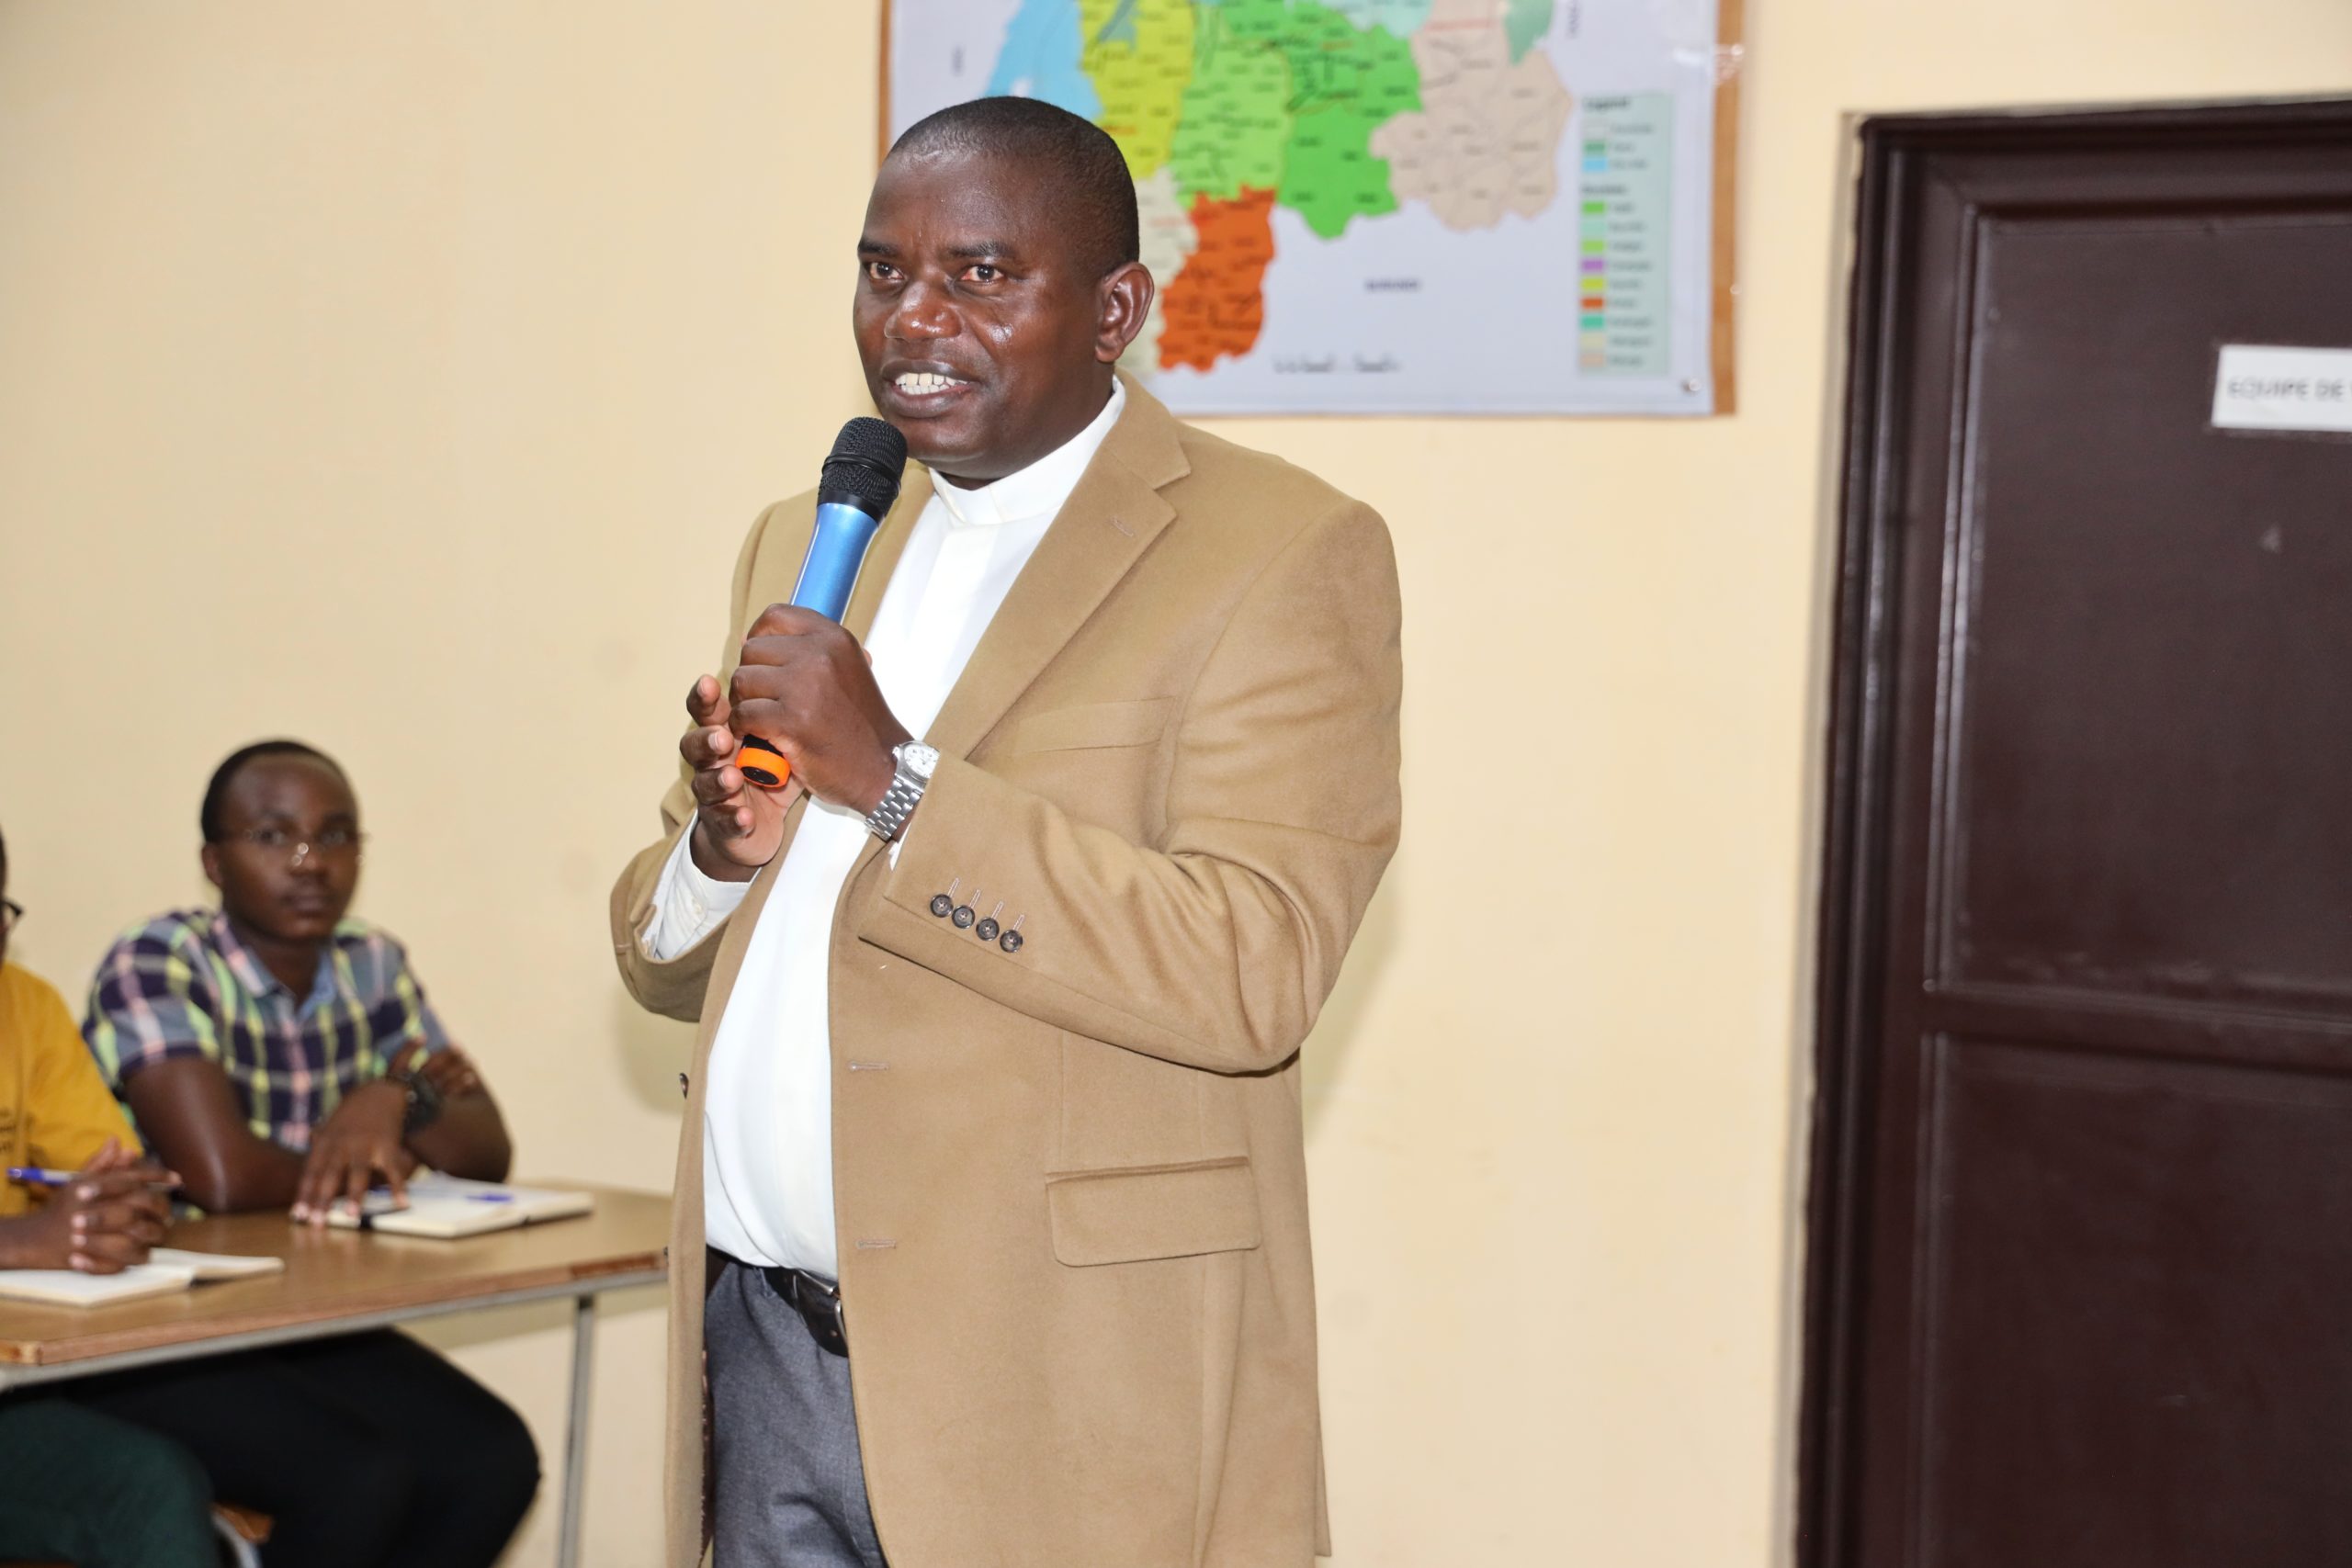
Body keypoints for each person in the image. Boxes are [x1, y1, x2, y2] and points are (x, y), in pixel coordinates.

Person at [611, 97, 1402, 1567]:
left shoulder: (1280, 549)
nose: (915, 317)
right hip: (767, 1345)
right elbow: (668, 956)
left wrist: (898, 782)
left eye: (980, 274)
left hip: (1054, 1385)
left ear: (1114, 311)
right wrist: (723, 853)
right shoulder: (809, 532)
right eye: (884, 270)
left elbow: (1255, 965)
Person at [74, 740, 540, 1568]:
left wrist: (393, 1098)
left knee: (492, 1459)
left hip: (299, 1312)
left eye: (334, 835)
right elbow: (222, 1177)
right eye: (272, 835)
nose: (310, 862)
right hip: (153, 1320)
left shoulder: (372, 961)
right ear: (213, 862)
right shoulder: (159, 959)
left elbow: (483, 1151)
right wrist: (371, 1149)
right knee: (357, 1478)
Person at [0, 826, 219, 1568]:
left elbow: (119, 1178)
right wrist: (22, 1240)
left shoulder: (24, 1005)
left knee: (158, 1479)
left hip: (23, 1371)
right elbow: (42, 1236)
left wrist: (116, 1212)